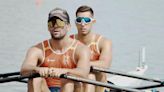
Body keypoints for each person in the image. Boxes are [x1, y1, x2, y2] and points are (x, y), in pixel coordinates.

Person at [20, 7, 90, 92]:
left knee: (67, 81)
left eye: (59, 23)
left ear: (68, 26)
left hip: (71, 88)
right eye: (51, 23)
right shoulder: (37, 49)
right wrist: (37, 69)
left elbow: (84, 73)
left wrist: (62, 71)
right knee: (35, 78)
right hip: (47, 89)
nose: (55, 26)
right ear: (48, 27)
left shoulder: (81, 49)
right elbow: (24, 70)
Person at [70, 5, 112, 92]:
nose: (83, 24)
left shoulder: (104, 42)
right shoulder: (69, 41)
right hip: (77, 85)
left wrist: (82, 64)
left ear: (93, 21)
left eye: (87, 20)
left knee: (90, 75)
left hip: (98, 87)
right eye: (79, 20)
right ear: (75, 22)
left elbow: (105, 64)